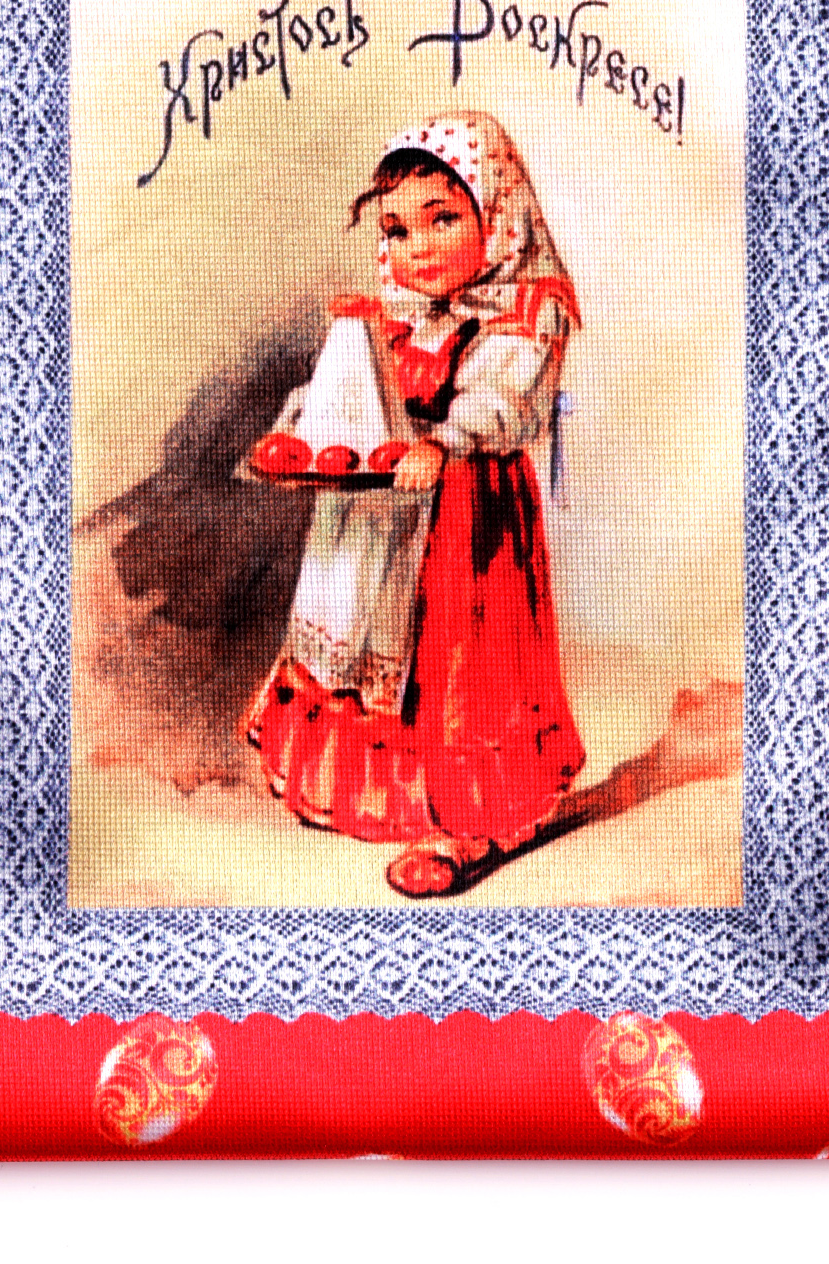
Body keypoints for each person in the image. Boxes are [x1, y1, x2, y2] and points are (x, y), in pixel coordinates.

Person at [242, 111, 587, 897]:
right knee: (361, 627)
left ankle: (472, 819)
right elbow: (344, 388)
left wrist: (450, 440)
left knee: (455, 660)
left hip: (467, 516)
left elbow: (508, 400)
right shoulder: (393, 314)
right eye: (398, 230)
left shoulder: (526, 308)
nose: (417, 247)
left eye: (442, 220)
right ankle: (370, 790)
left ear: (498, 216)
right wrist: (301, 430)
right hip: (381, 514)